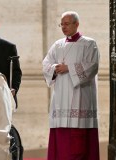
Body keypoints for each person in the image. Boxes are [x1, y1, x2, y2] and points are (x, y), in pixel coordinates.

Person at [42, 11, 100, 160]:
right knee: (62, 146)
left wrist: (69, 68)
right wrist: (55, 67)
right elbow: (46, 63)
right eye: (62, 24)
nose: (63, 27)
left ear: (77, 24)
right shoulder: (58, 45)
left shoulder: (89, 44)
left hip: (80, 99)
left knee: (80, 145)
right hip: (61, 98)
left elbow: (92, 66)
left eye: (67, 23)